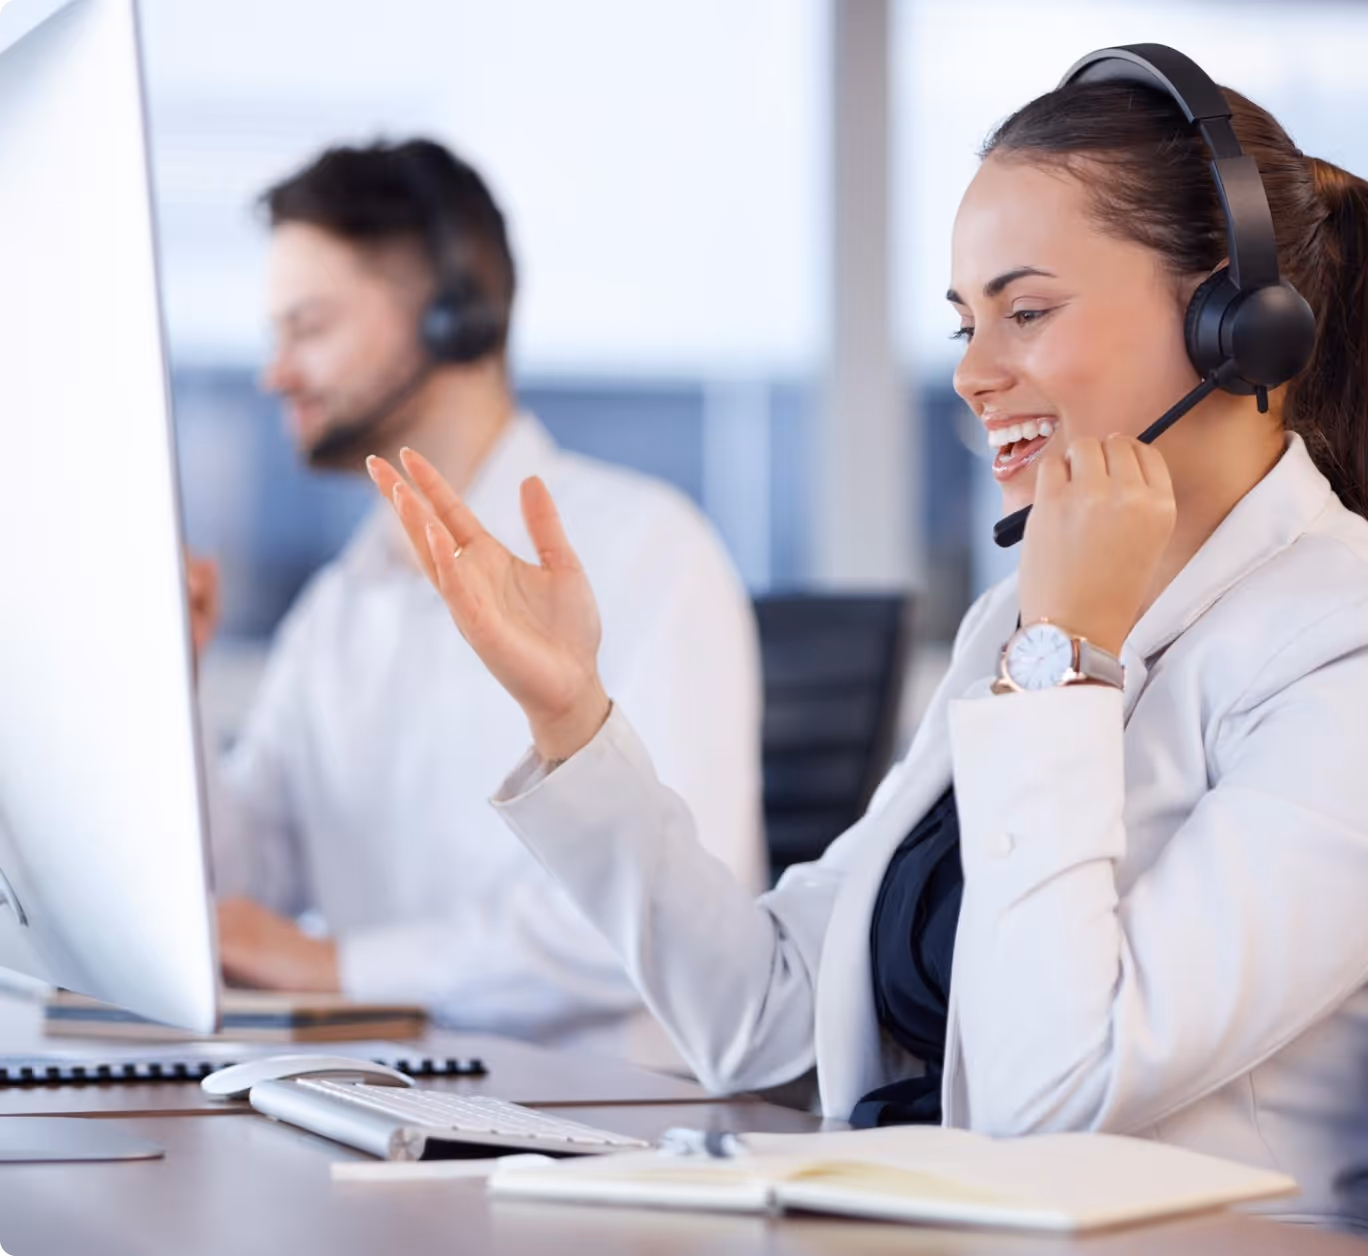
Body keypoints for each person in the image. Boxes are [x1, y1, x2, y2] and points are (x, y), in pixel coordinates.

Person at [368, 51, 1368, 1228]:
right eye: (963, 322)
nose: (972, 374)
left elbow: (1052, 1101)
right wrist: (572, 718)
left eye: (1026, 311)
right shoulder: (1018, 618)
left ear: (1233, 321)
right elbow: (769, 1013)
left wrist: (1062, 656)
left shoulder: (1329, 647)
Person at [200, 139, 765, 1067]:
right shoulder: (340, 606)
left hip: (609, 1118)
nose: (277, 372)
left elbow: (655, 920)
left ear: (451, 314)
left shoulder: (645, 548)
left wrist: (340, 964)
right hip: (384, 1097)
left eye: (308, 328)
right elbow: (241, 888)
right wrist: (164, 689)